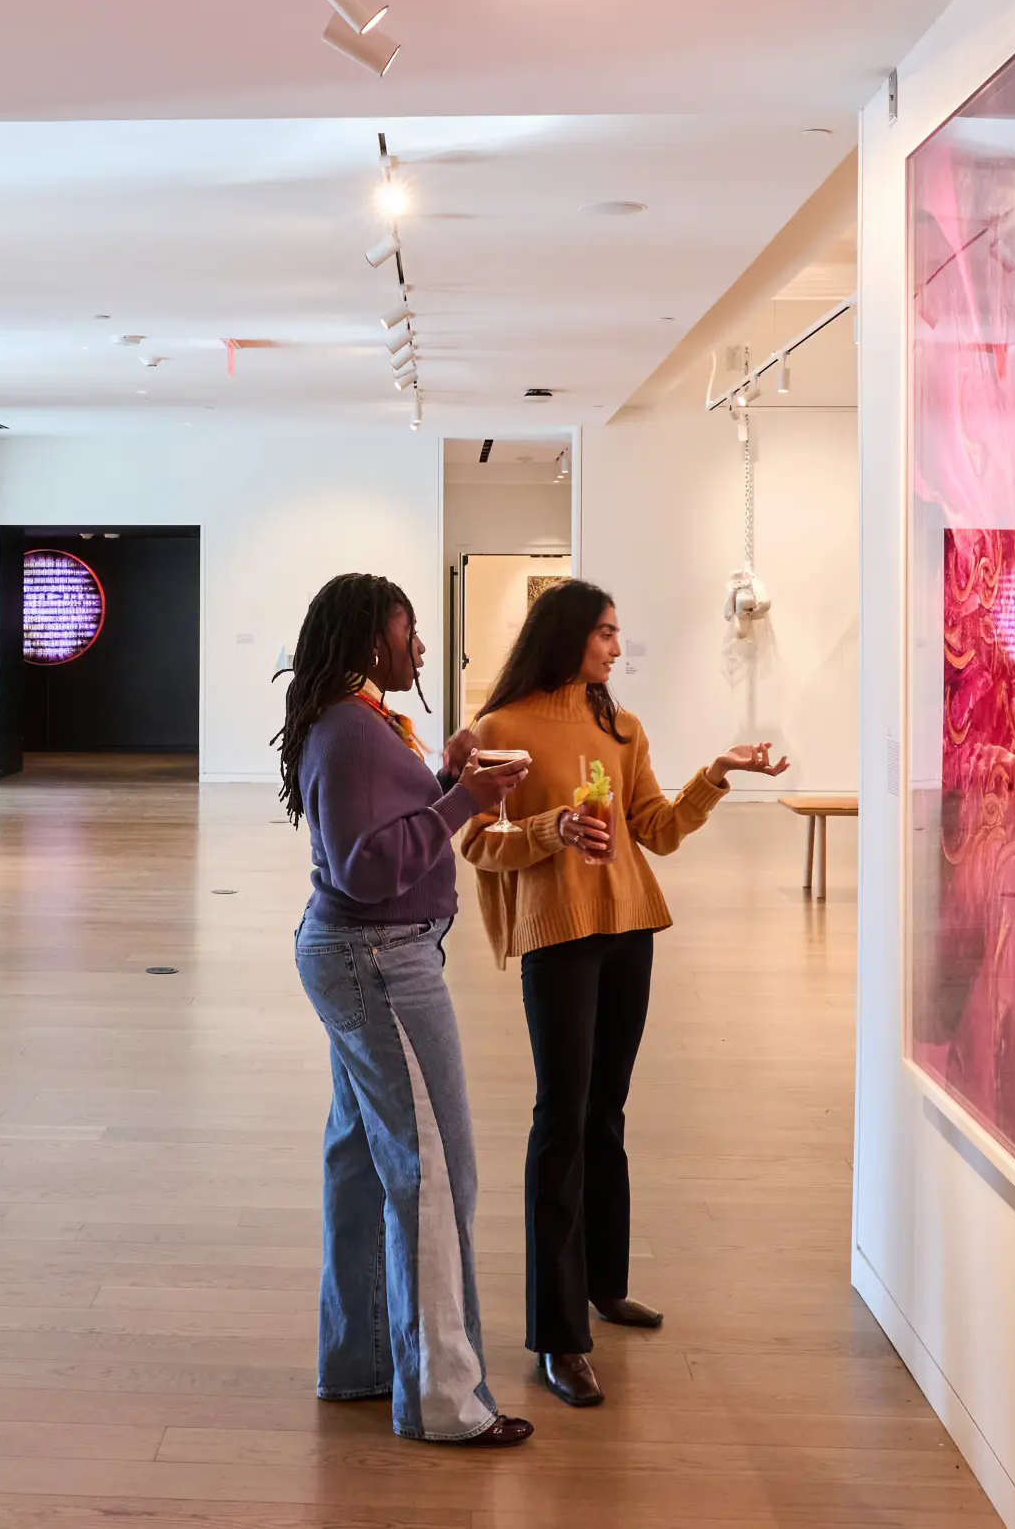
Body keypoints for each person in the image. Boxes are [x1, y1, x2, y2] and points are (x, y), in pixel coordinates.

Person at [460, 580, 788, 1408]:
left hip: (630, 931)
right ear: (566, 636)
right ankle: (559, 1336)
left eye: (616, 633)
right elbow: (476, 843)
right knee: (560, 1122)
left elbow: (660, 832)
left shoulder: (621, 726)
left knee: (607, 1112)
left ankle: (605, 1285)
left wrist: (714, 774)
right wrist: (552, 829)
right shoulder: (499, 732)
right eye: (604, 633)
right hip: (559, 940)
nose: (615, 647)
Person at [276, 572, 536, 1447]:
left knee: (361, 1160)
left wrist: (444, 771)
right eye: (406, 630)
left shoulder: (355, 719)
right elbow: (364, 866)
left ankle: (360, 1360)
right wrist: (468, 798)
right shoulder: (351, 730)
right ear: (366, 640)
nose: (419, 646)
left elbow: (381, 823)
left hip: (363, 953)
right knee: (432, 1169)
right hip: (380, 958)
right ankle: (443, 1401)